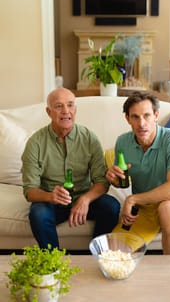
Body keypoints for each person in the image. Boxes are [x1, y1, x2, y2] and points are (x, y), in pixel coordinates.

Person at [21, 87, 120, 249]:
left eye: (70, 105)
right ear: (49, 112)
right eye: (59, 106)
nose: (66, 111)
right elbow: (29, 191)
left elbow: (101, 181)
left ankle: (97, 254)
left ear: (75, 109)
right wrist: (50, 196)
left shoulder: (89, 138)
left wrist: (85, 199)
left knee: (112, 207)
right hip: (51, 200)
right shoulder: (35, 143)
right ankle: (54, 263)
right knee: (38, 213)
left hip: (84, 195)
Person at [105, 91, 170, 255]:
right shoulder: (123, 142)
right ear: (127, 119)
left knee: (167, 209)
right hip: (144, 207)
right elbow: (123, 180)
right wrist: (114, 179)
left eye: (147, 116)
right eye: (135, 117)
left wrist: (132, 199)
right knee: (113, 251)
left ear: (156, 115)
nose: (141, 123)